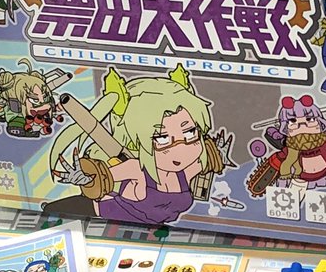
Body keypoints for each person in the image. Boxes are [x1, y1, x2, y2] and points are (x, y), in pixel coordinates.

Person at [46, 66, 226, 226]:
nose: (180, 148)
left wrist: (219, 153)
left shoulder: (188, 169)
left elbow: (210, 160)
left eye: (189, 133)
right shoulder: (136, 169)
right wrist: (84, 178)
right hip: (99, 217)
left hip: (150, 232)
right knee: (49, 216)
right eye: (163, 138)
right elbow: (100, 177)